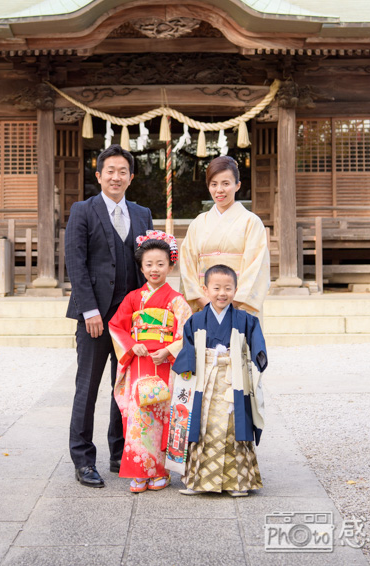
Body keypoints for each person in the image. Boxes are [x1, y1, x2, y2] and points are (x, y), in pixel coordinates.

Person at [65, 144, 153, 488]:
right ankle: (83, 459)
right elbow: (76, 262)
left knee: (125, 388)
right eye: (110, 171)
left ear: (131, 178)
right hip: (94, 318)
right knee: (86, 387)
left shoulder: (142, 213)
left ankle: (120, 452)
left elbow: (149, 263)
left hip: (131, 320)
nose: (116, 177)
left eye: (123, 172)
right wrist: (90, 309)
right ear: (99, 175)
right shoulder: (82, 210)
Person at [173, 264, 267, 496]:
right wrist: (186, 369)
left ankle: (237, 483)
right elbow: (187, 347)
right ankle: (197, 480)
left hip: (233, 379)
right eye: (216, 288)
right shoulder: (196, 320)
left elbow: (257, 345)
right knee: (203, 425)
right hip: (204, 380)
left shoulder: (246, 319)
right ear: (206, 289)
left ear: (236, 290)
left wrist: (258, 358)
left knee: (235, 426)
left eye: (228, 288)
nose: (222, 293)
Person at [109, 232, 192, 493]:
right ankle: (139, 471)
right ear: (141, 267)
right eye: (149, 264)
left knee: (163, 416)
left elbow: (186, 332)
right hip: (140, 364)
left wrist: (168, 350)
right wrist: (133, 344)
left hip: (165, 364)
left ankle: (160, 471)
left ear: (170, 265)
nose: (154, 269)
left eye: (160, 264)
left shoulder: (177, 301)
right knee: (139, 417)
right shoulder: (134, 298)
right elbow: (116, 326)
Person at [180, 155, 270, 318]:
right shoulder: (198, 223)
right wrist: (204, 301)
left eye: (226, 183)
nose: (219, 190)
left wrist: (231, 302)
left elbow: (256, 268)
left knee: (238, 342)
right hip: (204, 305)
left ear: (237, 185)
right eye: (214, 184)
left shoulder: (251, 222)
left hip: (238, 307)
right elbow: (187, 267)